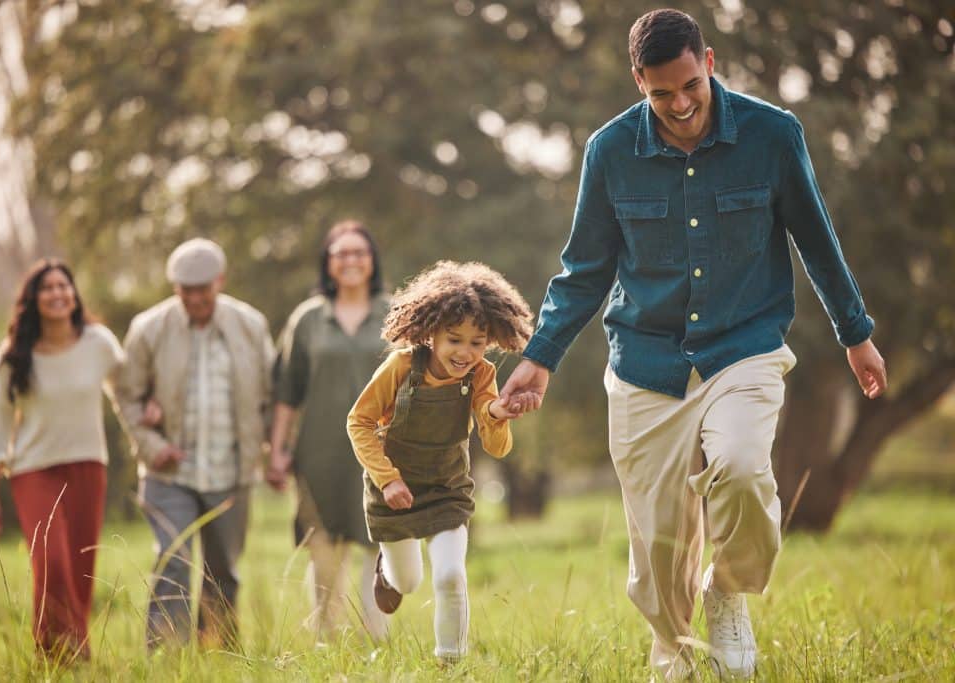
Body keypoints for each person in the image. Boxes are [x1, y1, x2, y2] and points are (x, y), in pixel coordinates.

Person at [498, 9, 887, 681]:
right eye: (660, 94)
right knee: (659, 554)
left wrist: (856, 332)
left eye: (689, 87)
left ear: (709, 63)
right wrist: (540, 357)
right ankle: (675, 652)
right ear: (637, 82)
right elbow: (584, 270)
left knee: (740, 467)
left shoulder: (772, 134)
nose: (678, 105)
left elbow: (816, 240)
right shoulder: (611, 151)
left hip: (744, 345)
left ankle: (729, 590)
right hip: (646, 360)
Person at [347, 260, 534, 663]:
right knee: (409, 581)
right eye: (454, 340)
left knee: (450, 575)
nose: (465, 352)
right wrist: (388, 479)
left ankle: (450, 663)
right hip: (394, 492)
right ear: (431, 334)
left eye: (477, 342)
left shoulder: (481, 375)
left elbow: (497, 445)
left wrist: (499, 414)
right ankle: (388, 572)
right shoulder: (401, 366)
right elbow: (358, 422)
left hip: (447, 490)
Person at [116, 238, 275, 649]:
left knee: (223, 571)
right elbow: (127, 397)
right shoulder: (148, 329)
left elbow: (270, 395)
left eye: (203, 289)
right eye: (186, 291)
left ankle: (219, 656)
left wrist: (275, 450)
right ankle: (168, 659)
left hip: (231, 471)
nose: (195, 298)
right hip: (170, 473)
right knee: (172, 562)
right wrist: (152, 446)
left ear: (219, 281)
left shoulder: (250, 325)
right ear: (175, 289)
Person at [0, 259, 124, 660]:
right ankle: (67, 652)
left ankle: (63, 657)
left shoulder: (98, 343)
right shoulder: (13, 355)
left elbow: (128, 388)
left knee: (80, 565)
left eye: (64, 286)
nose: (57, 294)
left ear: (74, 295)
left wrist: (149, 414)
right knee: (52, 561)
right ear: (33, 300)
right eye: (47, 288)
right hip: (32, 470)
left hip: (88, 466)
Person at [266, 220, 391, 640]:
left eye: (359, 252)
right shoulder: (306, 320)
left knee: (379, 546)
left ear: (372, 261)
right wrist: (277, 451)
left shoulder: (395, 314)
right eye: (342, 254)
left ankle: (377, 639)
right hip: (319, 453)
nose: (351, 260)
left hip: (381, 451)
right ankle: (326, 639)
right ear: (328, 264)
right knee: (324, 550)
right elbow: (287, 391)